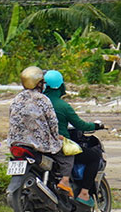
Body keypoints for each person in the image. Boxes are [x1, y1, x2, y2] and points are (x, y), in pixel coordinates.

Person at [8, 65, 73, 200]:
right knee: (68, 153)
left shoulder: (16, 99)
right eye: (42, 82)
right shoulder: (43, 99)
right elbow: (52, 122)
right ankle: (65, 181)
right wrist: (56, 136)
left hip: (15, 142)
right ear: (38, 84)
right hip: (38, 143)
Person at [42, 69, 103, 205]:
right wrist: (96, 126)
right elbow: (80, 124)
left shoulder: (38, 102)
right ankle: (84, 193)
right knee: (94, 156)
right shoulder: (62, 106)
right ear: (60, 86)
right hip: (58, 144)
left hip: (38, 145)